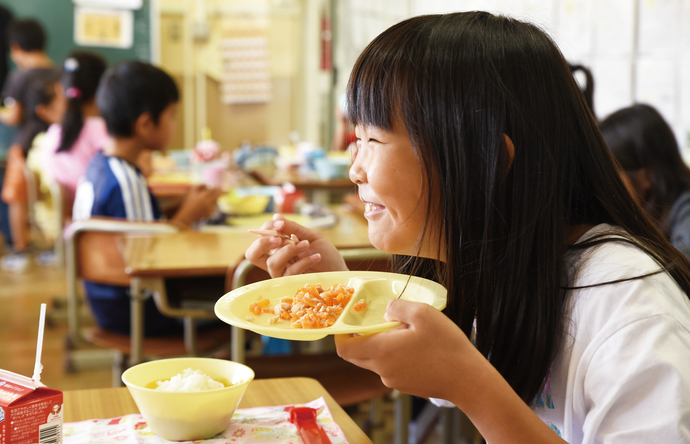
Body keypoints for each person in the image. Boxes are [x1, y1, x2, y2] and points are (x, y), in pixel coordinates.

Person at [244, 12, 690, 443]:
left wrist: (470, 384)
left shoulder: (632, 311)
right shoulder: (504, 260)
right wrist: (342, 292)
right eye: (355, 140)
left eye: (373, 141)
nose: (354, 170)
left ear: (486, 162)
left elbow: (464, 375)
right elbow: (437, 363)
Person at [72, 60, 223, 336]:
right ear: (145, 124)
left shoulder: (100, 166)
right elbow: (150, 261)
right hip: (142, 312)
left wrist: (182, 205)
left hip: (109, 304)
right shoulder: (126, 181)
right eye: (171, 116)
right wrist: (188, 215)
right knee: (238, 297)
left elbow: (136, 229)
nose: (174, 124)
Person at [600, 103, 690, 260]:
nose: (604, 186)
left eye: (612, 176)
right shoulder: (656, 218)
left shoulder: (686, 212)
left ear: (646, 177)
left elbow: (679, 274)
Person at [1, 68, 63, 270]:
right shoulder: (57, 72)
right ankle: (48, 247)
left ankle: (22, 251)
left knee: (17, 198)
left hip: (24, 148)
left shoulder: (19, 76)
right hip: (41, 148)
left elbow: (13, 116)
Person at [40, 51, 108, 211]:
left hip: (71, 225)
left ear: (60, 89)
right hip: (97, 223)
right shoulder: (103, 131)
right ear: (105, 89)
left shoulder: (54, 133)